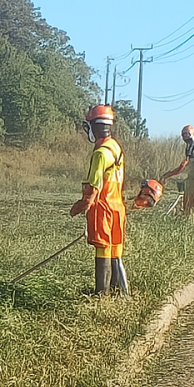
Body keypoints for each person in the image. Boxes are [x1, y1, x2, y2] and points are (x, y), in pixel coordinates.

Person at [69, 105, 129, 295]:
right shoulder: (115, 147)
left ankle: (101, 293)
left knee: (102, 248)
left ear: (93, 127)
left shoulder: (100, 153)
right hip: (118, 207)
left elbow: (94, 186)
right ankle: (120, 291)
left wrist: (81, 206)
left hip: (103, 207)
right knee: (115, 249)